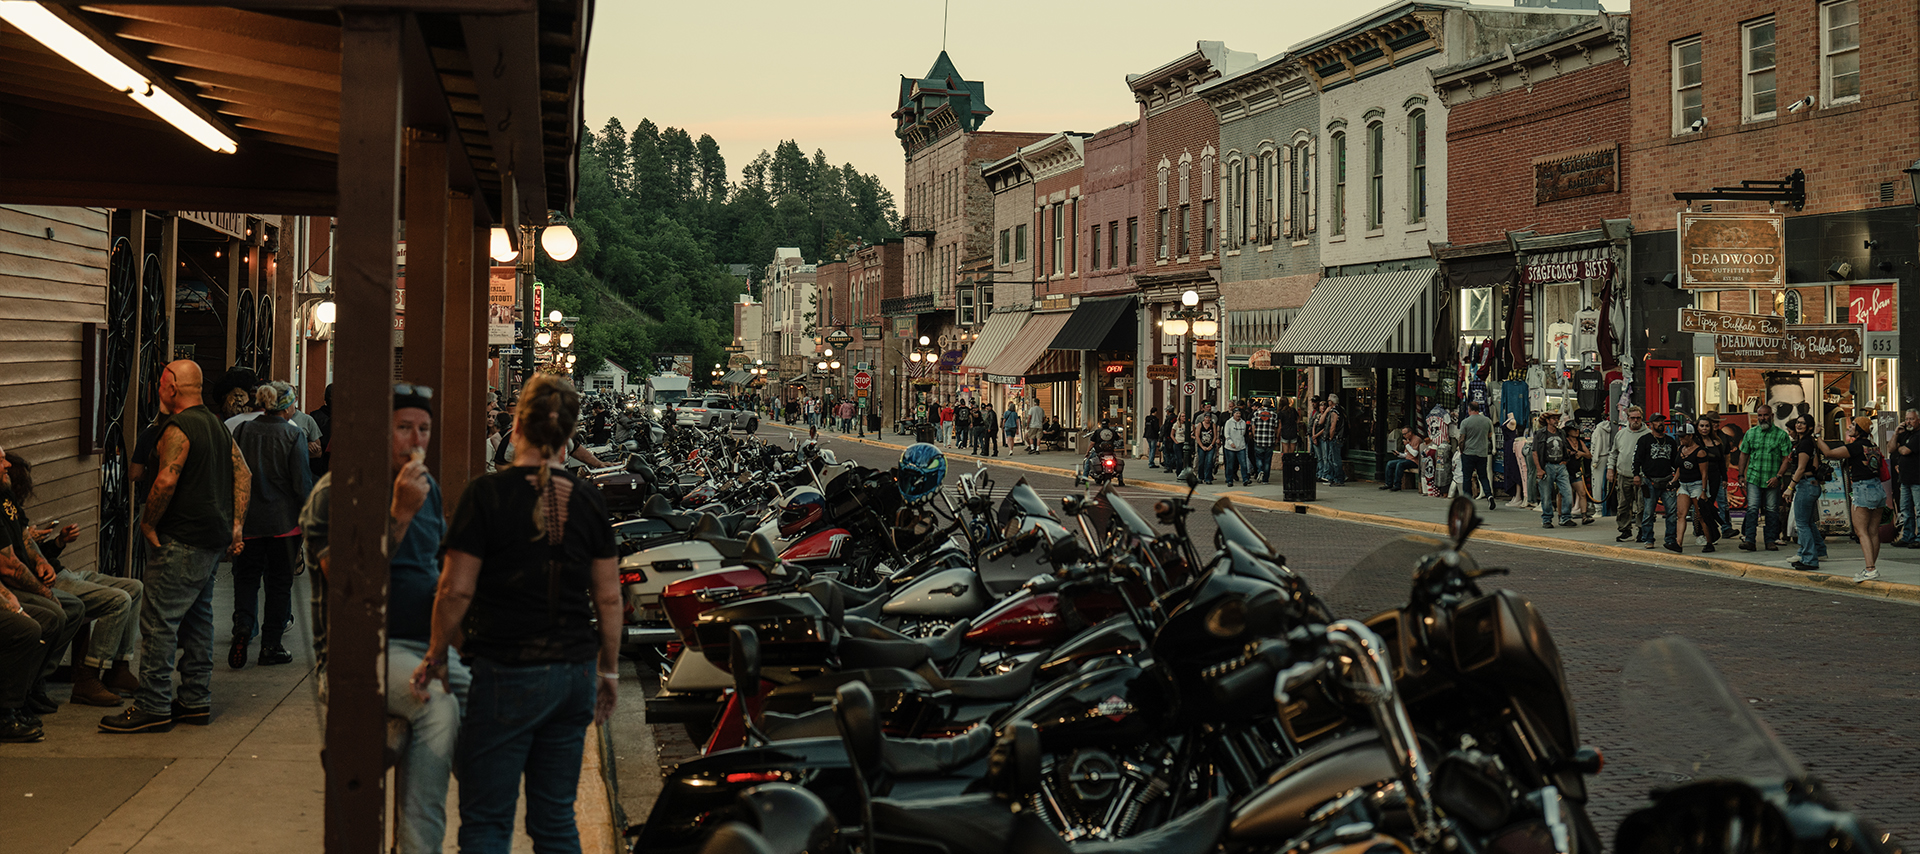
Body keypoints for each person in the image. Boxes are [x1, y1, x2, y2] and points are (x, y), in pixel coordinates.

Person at [412, 374, 619, 853]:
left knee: (487, 821)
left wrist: (437, 653)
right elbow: (608, 598)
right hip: (572, 672)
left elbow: (455, 590)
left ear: (516, 427)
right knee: (555, 820)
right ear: (568, 436)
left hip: (505, 667)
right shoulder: (587, 499)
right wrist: (607, 669)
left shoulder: (487, 495)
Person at [300, 382, 467, 853]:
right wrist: (399, 514)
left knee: (499, 707)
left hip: (424, 644)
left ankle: (481, 831)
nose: (416, 440)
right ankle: (418, 846)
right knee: (437, 708)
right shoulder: (338, 491)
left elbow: (437, 570)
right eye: (404, 428)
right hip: (360, 655)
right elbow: (351, 590)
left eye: (424, 429)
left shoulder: (426, 486)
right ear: (379, 432)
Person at [102, 360, 251, 734]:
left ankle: (152, 705)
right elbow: (243, 473)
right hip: (210, 541)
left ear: (169, 387)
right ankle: (195, 700)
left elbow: (166, 480)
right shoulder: (216, 425)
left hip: (181, 539)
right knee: (199, 621)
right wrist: (235, 526)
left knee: (158, 623)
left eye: (160, 385)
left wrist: (148, 521)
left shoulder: (179, 427)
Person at [3, 451, 141, 707]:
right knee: (115, 601)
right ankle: (85, 677)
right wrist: (45, 588)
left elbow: (29, 548)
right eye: (2, 464)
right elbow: (12, 564)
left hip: (61, 570)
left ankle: (118, 668)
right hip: (43, 582)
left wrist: (56, 543)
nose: (6, 467)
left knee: (134, 587)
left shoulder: (11, 506)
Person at [227, 382, 312, 670]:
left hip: (248, 520)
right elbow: (301, 483)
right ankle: (271, 645)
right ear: (285, 406)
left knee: (246, 578)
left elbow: (234, 473)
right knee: (278, 584)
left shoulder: (243, 431)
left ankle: (242, 626)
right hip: (284, 524)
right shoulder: (293, 434)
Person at [1815, 416, 1888, 583]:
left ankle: (1870, 568)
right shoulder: (1873, 446)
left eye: (1853, 425)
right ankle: (1870, 567)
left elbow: (1829, 453)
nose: (1849, 427)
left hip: (1862, 489)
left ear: (1860, 430)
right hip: (1878, 489)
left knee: (1861, 531)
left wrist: (1817, 436)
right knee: (1872, 531)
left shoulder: (1855, 447)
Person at [1737, 405, 1791, 552]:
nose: (1763, 418)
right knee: (1753, 508)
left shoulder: (1781, 435)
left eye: (1766, 415)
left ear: (1772, 416)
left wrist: (1778, 476)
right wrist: (1741, 474)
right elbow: (1744, 454)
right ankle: (1749, 540)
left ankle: (1770, 540)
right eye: (1760, 416)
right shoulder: (1751, 433)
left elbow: (1787, 458)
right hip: (1754, 477)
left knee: (1772, 510)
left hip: (1772, 479)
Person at [1784, 416, 1829, 572]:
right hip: (1811, 484)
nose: (1799, 425)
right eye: (1798, 422)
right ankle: (1819, 551)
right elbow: (1815, 465)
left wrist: (1790, 487)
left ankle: (1809, 558)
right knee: (1808, 522)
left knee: (1802, 524)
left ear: (1809, 427)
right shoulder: (1808, 443)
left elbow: (1801, 468)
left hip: (1805, 484)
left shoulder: (1804, 444)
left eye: (1803, 423)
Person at [1669, 421, 1720, 553]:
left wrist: (1703, 491)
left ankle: (1709, 542)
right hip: (1684, 485)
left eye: (1683, 436)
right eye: (1679, 436)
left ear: (1690, 436)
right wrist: (1674, 480)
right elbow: (1679, 467)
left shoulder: (1700, 452)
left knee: (1701, 515)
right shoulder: (1681, 449)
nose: (1681, 439)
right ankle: (1678, 543)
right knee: (1681, 514)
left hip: (1697, 485)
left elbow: (1704, 474)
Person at [1633, 413, 1680, 550]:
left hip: (1667, 480)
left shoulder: (1670, 441)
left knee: (1671, 513)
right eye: (1657, 421)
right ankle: (1648, 538)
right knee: (1648, 512)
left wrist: (1676, 479)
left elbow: (1676, 462)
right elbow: (1637, 459)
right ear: (1651, 424)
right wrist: (1636, 475)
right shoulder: (1644, 440)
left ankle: (1670, 539)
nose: (1661, 423)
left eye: (1662, 421)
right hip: (1649, 481)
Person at [1610, 407, 1652, 543]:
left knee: (1642, 505)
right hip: (1624, 474)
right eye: (1632, 418)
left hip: (1642, 476)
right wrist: (1610, 469)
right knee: (1623, 504)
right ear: (1627, 418)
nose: (1635, 420)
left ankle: (1642, 530)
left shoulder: (1648, 434)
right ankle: (1625, 530)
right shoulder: (1621, 434)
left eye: (1638, 418)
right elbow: (1614, 453)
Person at [1532, 411, 1574, 528]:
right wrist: (1539, 469)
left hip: (1560, 466)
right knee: (1546, 495)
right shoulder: (1540, 434)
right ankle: (1547, 519)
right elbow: (1534, 452)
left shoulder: (1561, 433)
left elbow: (1565, 447)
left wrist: (1565, 460)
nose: (1556, 420)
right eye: (1554, 418)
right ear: (1547, 420)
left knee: (1567, 492)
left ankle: (1565, 517)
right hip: (1547, 466)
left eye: (1557, 418)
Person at [1458, 401, 1495, 509]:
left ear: (1469, 409)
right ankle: (1489, 495)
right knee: (1483, 476)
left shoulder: (1465, 422)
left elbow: (1461, 439)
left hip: (1468, 453)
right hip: (1482, 453)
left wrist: (1461, 451)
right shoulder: (1487, 421)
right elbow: (1489, 435)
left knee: (1467, 477)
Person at [1893, 409, 1920, 547]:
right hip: (1905, 478)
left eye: (1912, 419)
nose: (1908, 422)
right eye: (1907, 419)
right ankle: (1907, 535)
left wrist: (1900, 447)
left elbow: (1905, 450)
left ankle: (1919, 537)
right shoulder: (1904, 435)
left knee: (1919, 510)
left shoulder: (1918, 435)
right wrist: (1896, 434)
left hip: (1917, 479)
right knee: (1905, 509)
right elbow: (1891, 447)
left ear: (1918, 420)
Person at [1566, 424, 1594, 524]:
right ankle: (1562, 516)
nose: (1576, 431)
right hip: (1565, 470)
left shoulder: (1580, 442)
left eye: (1577, 429)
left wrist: (1581, 453)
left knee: (1582, 493)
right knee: (1563, 494)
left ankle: (1584, 516)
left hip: (1576, 470)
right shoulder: (1565, 441)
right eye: (1574, 430)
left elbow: (1589, 455)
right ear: (1568, 431)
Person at [1381, 427, 1423, 492]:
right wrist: (1399, 454)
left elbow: (1415, 454)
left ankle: (1397, 485)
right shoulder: (1408, 440)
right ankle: (1388, 483)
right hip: (1407, 459)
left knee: (1400, 464)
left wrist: (1407, 445)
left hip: (1415, 461)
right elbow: (1406, 454)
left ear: (1410, 433)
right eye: (1402, 434)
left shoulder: (1417, 440)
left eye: (1405, 434)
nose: (1403, 436)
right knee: (1390, 463)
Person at [1249, 401, 1277, 484]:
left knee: (1258, 457)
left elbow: (1253, 426)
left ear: (1263, 405)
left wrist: (1254, 436)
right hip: (1269, 440)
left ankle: (1260, 470)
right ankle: (1265, 479)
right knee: (1267, 460)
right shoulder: (1274, 414)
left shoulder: (1256, 413)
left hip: (1259, 439)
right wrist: (1275, 437)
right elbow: (1275, 427)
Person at [1221, 408, 1250, 486]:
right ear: (1233, 414)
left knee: (1243, 464)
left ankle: (1245, 479)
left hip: (1241, 446)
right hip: (1230, 447)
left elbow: (1244, 433)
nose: (1238, 415)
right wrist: (1230, 442)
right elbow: (1226, 434)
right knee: (1230, 464)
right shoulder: (1229, 422)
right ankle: (1229, 480)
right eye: (1236, 413)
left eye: (1239, 413)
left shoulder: (1243, 422)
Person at [1321, 398, 1345, 486]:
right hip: (1340, 437)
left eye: (1328, 401)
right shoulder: (1341, 410)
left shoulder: (1334, 411)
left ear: (1332, 401)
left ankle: (1338, 479)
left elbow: (1333, 426)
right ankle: (1334, 477)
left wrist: (1331, 437)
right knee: (1332, 458)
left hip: (1336, 438)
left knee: (1335, 460)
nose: (1328, 402)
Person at [1193, 410, 1219, 485]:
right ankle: (1200, 477)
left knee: (1209, 462)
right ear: (1204, 418)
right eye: (1206, 417)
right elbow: (1197, 436)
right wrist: (1202, 446)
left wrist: (1211, 445)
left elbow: (1215, 436)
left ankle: (1208, 478)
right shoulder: (1200, 425)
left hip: (1210, 446)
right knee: (1201, 462)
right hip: (1202, 446)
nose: (1207, 419)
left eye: (1209, 418)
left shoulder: (1213, 425)